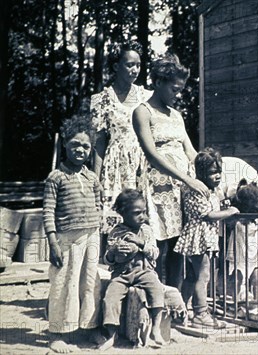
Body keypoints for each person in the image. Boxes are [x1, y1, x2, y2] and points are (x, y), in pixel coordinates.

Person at [133, 54, 208, 289]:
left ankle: (173, 301)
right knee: (158, 246)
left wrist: (209, 171)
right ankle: (152, 298)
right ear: (158, 83)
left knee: (178, 245)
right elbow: (151, 155)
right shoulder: (143, 112)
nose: (178, 95)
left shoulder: (176, 116)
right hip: (157, 188)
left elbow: (190, 150)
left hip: (181, 188)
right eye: (175, 89)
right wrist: (186, 178)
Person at [43, 116, 102, 353]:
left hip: (92, 236)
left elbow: (99, 205)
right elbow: (48, 211)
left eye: (86, 146)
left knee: (90, 283)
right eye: (75, 144)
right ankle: (58, 333)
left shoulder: (92, 177)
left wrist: (98, 232)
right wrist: (53, 242)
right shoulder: (56, 177)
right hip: (66, 239)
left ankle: (89, 327)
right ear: (65, 144)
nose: (80, 150)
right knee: (63, 283)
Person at [91, 40, 152, 235]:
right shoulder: (102, 99)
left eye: (138, 65)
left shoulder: (147, 96)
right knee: (115, 225)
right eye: (130, 64)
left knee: (143, 222)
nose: (135, 70)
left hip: (142, 164)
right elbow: (100, 142)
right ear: (117, 66)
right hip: (115, 167)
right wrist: (96, 178)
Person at [174, 148, 239, 328]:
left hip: (204, 236)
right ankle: (200, 313)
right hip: (199, 237)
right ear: (201, 173)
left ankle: (179, 309)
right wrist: (229, 212)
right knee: (203, 275)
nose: (217, 176)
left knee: (193, 276)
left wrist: (223, 203)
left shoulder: (210, 190)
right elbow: (208, 215)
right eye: (212, 172)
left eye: (219, 172)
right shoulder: (196, 190)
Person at [97, 189, 165, 350]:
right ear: (123, 213)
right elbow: (107, 259)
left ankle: (156, 327)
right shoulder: (116, 232)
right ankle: (112, 334)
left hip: (144, 271)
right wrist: (115, 252)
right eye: (136, 213)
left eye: (144, 212)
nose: (142, 216)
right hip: (122, 274)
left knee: (157, 289)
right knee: (110, 298)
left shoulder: (146, 230)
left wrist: (141, 243)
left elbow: (155, 253)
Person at [226, 180, 258, 301]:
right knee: (237, 279)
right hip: (239, 254)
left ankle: (257, 301)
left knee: (256, 278)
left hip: (254, 254)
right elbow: (228, 223)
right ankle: (236, 302)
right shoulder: (237, 220)